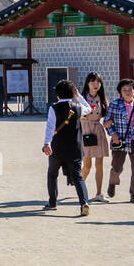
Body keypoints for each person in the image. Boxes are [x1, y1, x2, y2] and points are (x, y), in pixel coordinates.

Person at [41, 78, 91, 216]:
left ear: (57, 94)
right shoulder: (78, 108)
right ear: (73, 93)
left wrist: (47, 143)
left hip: (57, 148)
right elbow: (88, 108)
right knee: (78, 177)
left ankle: (52, 202)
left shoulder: (54, 108)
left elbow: (50, 127)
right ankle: (84, 203)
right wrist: (78, 96)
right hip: (75, 148)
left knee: (52, 174)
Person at [106, 79, 134, 204]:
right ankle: (112, 183)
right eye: (125, 90)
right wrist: (113, 133)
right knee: (117, 167)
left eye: (130, 89)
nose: (128, 92)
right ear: (120, 92)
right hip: (120, 140)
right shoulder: (114, 104)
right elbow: (106, 122)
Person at [79, 72, 111, 202]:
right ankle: (80, 188)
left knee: (99, 163)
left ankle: (99, 193)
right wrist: (80, 117)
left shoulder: (102, 98)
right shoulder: (81, 98)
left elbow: (107, 115)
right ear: (88, 84)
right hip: (85, 130)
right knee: (87, 164)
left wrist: (109, 122)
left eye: (98, 82)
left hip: (98, 130)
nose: (95, 84)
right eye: (93, 82)